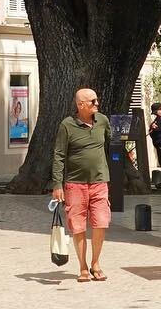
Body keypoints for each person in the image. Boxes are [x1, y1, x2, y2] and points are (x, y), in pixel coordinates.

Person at [51, 87, 114, 284]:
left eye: (97, 100)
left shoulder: (102, 121)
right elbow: (59, 155)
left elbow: (109, 143)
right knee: (78, 226)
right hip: (75, 184)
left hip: (99, 182)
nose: (97, 104)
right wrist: (57, 184)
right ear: (80, 105)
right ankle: (83, 267)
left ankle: (96, 263)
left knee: (100, 223)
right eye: (93, 101)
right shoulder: (67, 125)